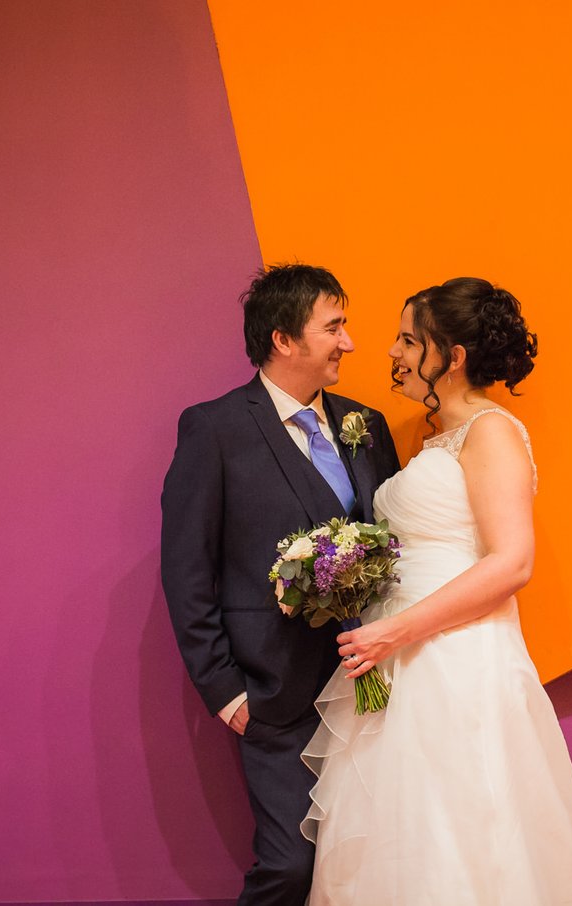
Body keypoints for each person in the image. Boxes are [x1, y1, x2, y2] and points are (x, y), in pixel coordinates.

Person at [302, 277, 572, 905]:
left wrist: (396, 630)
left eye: (409, 340)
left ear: (454, 355)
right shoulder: (435, 435)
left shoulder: (492, 433)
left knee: (466, 833)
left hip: (457, 662)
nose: (391, 352)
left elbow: (511, 564)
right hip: (400, 664)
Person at [161, 263, 401, 906]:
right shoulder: (213, 429)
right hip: (276, 694)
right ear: (283, 340)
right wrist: (227, 692)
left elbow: (393, 541)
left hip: (374, 685)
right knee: (292, 868)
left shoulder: (366, 424)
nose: (348, 343)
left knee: (373, 866)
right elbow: (187, 571)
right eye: (335, 327)